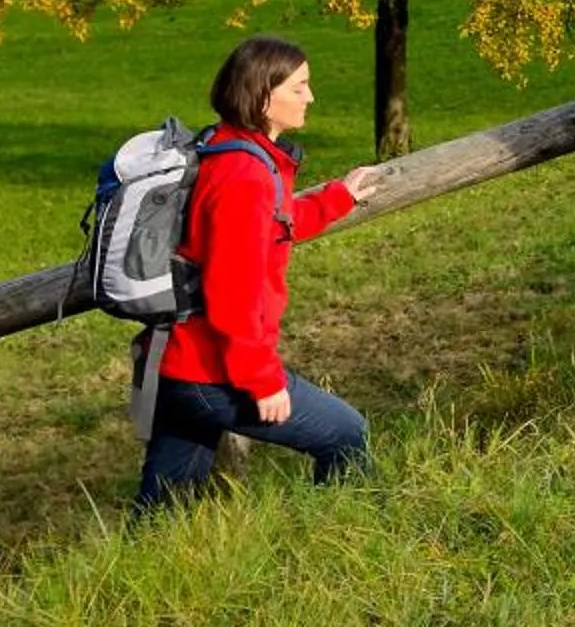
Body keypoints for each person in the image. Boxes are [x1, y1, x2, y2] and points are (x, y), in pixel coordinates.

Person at [135, 35, 387, 512]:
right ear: (263, 95)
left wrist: (338, 198)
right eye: (299, 87)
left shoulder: (227, 147)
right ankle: (337, 536)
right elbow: (232, 290)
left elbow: (272, 226)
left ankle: (125, 583)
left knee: (164, 507)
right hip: (212, 373)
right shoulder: (243, 176)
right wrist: (262, 380)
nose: (310, 97)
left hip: (177, 363)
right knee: (345, 434)